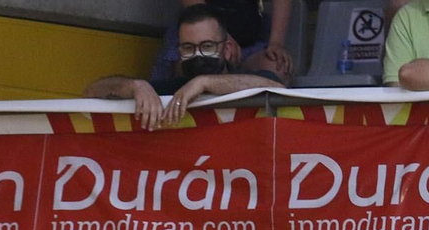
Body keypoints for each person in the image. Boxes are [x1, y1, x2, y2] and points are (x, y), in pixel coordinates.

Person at [83, 5, 287, 132]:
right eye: (189, 47)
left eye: (207, 46)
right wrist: (137, 86)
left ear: (227, 48)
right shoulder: (173, 90)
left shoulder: (248, 82)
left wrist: (203, 83)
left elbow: (276, 87)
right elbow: (92, 91)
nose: (198, 54)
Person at [148, 0, 297, 85]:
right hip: (201, 29)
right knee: (190, 67)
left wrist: (276, 42)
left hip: (251, 35)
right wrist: (221, 35)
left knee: (279, 69)